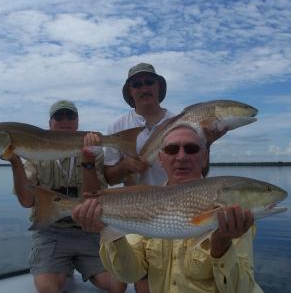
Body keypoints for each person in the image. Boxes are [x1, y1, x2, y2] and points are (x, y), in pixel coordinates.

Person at [72, 125, 263, 293]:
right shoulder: (145, 202)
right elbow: (129, 273)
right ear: (161, 159)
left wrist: (221, 245)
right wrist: (111, 233)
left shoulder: (232, 213)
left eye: (191, 149)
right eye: (172, 150)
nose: (181, 156)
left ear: (204, 157)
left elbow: (242, 289)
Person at [4, 100, 126, 293]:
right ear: (50, 123)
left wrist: (88, 160)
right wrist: (15, 162)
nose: (65, 121)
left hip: (89, 230)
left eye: (70, 116)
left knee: (117, 286)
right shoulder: (34, 152)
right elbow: (27, 201)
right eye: (59, 117)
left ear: (77, 122)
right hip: (51, 232)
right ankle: (59, 268)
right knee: (47, 289)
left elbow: (94, 199)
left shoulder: (95, 151)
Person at [103, 62, 176, 187]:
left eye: (149, 82)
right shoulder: (116, 126)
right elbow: (109, 179)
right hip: (135, 202)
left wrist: (208, 143)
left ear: (158, 86)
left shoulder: (178, 122)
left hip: (175, 201)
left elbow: (200, 170)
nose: (144, 89)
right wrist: (124, 166)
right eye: (137, 85)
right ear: (130, 91)